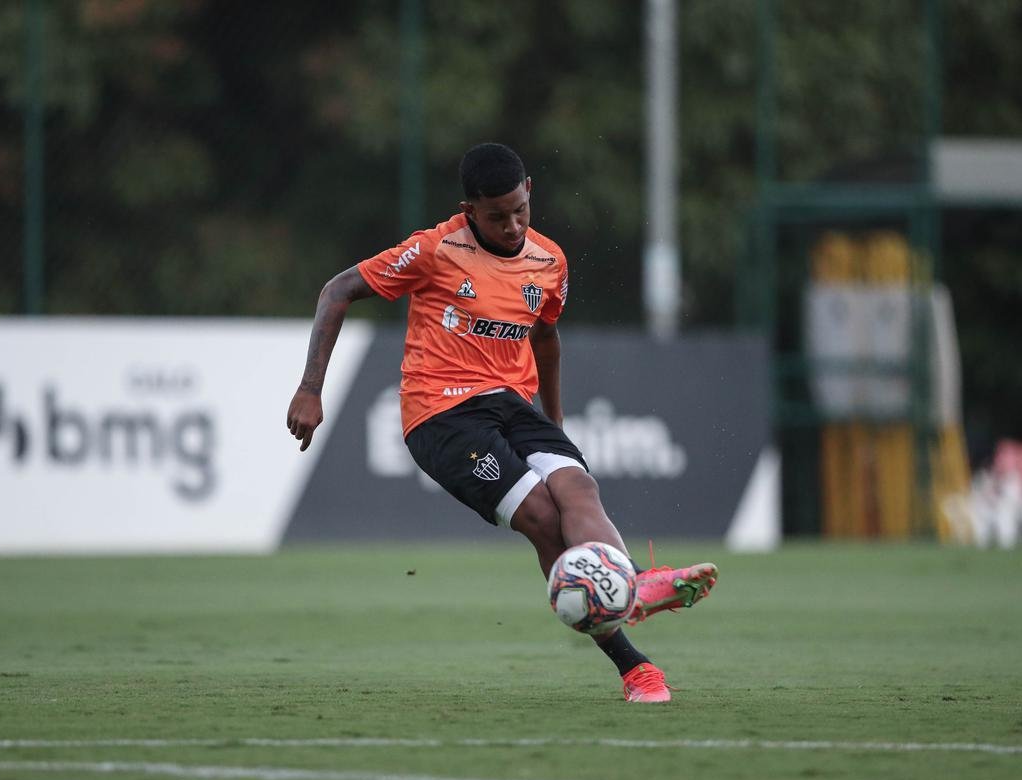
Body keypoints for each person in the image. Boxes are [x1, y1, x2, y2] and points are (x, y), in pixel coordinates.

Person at [287, 142, 717, 703]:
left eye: (521, 211)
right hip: (440, 414)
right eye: (496, 216)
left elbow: (544, 337)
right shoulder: (434, 251)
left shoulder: (549, 261)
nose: (512, 225)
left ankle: (633, 583)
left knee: (577, 487)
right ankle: (635, 665)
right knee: (541, 517)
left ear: (530, 192)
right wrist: (310, 388)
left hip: (513, 403)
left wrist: (554, 424)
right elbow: (336, 290)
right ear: (469, 209)